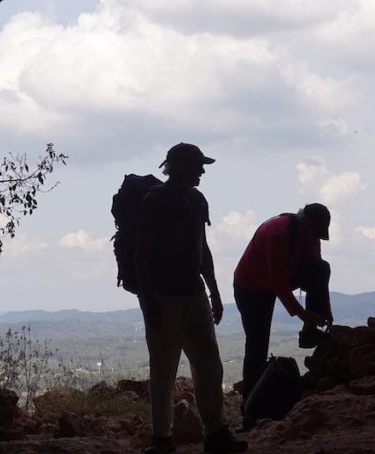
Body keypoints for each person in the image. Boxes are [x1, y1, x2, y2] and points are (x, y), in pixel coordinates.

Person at [135, 143, 248, 454]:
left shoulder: (196, 200)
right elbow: (141, 257)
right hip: (164, 296)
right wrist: (149, 304)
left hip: (193, 294)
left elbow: (203, 248)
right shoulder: (154, 202)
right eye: (197, 166)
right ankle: (162, 440)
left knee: (209, 365)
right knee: (163, 370)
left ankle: (217, 433)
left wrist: (214, 291)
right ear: (180, 167)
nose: (201, 171)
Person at [232, 203, 333, 423]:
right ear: (304, 223)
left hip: (280, 279)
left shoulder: (311, 235)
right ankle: (249, 412)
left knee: (321, 268)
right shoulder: (277, 233)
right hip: (251, 287)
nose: (315, 238)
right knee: (257, 345)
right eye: (314, 232)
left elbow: (316, 268)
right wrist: (302, 314)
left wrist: (325, 310)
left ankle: (309, 333)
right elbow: (277, 283)